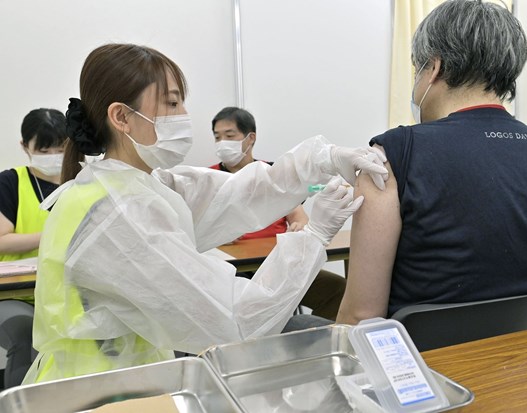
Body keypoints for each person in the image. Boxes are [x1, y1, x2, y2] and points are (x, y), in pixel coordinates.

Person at [23, 43, 388, 384]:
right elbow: (236, 321)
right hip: (97, 389)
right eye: (171, 103)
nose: (183, 116)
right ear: (121, 116)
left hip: (132, 376)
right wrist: (313, 236)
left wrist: (323, 160)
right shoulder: (117, 214)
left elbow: (240, 194)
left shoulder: (141, 186)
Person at [337, 0, 527, 325]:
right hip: (526, 353)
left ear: (434, 68)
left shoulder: (393, 156)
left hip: (418, 357)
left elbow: (360, 317)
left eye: (417, 70)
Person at [210, 106, 346, 320]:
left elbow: (299, 217)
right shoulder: (208, 178)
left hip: (279, 264)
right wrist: (218, 234)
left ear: (250, 138)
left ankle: (311, 337)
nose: (222, 143)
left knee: (337, 288)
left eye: (229, 135)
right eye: (217, 137)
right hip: (236, 270)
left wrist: (299, 227)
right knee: (247, 304)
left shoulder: (274, 174)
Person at [0, 108, 66, 388]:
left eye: (60, 148)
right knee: (26, 336)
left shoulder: (81, 180)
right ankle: (20, 403)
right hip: (18, 294)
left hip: (68, 291)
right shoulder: (10, 182)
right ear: (24, 146)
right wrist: (52, 235)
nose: (54, 156)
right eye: (44, 150)